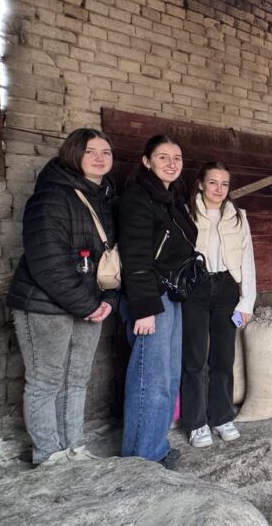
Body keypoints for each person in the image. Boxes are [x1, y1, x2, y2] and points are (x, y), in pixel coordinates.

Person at [7, 128, 116, 466]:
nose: (100, 158)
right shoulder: (51, 196)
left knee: (77, 378)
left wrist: (108, 300)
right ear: (73, 154)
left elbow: (110, 258)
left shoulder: (103, 198)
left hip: (90, 303)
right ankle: (48, 454)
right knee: (46, 380)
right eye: (90, 151)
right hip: (45, 305)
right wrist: (88, 304)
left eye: (106, 152)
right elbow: (47, 262)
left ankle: (73, 447)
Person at [118, 134, 197, 469]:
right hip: (150, 299)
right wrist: (144, 309)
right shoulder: (137, 199)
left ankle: (156, 446)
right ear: (146, 161)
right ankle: (141, 458)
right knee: (149, 377)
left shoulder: (171, 201)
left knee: (167, 375)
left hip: (170, 295)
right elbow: (135, 257)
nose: (171, 163)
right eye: (163, 157)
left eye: (176, 158)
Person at [181, 161, 257, 447]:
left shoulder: (237, 216)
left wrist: (247, 302)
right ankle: (196, 422)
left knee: (223, 357)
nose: (219, 189)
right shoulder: (186, 212)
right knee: (195, 357)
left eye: (224, 184)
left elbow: (247, 260)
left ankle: (222, 417)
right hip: (195, 287)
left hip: (227, 287)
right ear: (201, 184)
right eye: (213, 182)